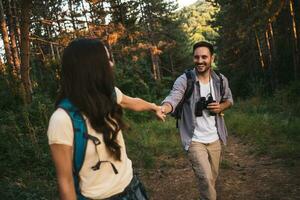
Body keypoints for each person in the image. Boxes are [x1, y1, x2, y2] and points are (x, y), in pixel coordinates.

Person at [47, 38, 166, 200]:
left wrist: (154, 107)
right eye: (107, 60)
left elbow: (133, 102)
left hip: (132, 189)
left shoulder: (109, 95)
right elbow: (65, 181)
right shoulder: (62, 120)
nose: (112, 65)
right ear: (91, 68)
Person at [161, 41, 233, 200]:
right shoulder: (185, 80)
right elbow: (174, 97)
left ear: (212, 58)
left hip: (215, 139)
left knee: (211, 179)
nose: (200, 61)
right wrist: (164, 108)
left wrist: (221, 107)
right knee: (206, 179)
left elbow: (229, 100)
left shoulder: (220, 80)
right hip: (194, 140)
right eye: (196, 57)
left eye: (204, 57)